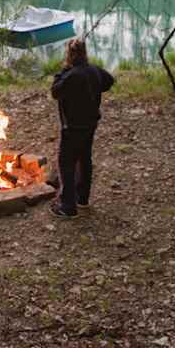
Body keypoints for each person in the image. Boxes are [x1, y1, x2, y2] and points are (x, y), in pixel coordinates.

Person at [49, 38, 114, 218]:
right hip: (90, 124)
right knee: (84, 159)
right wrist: (94, 89)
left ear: (70, 54)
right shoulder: (93, 70)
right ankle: (82, 199)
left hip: (72, 127)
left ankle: (68, 206)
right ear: (85, 53)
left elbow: (55, 91)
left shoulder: (70, 75)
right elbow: (109, 80)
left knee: (66, 163)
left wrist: (63, 70)